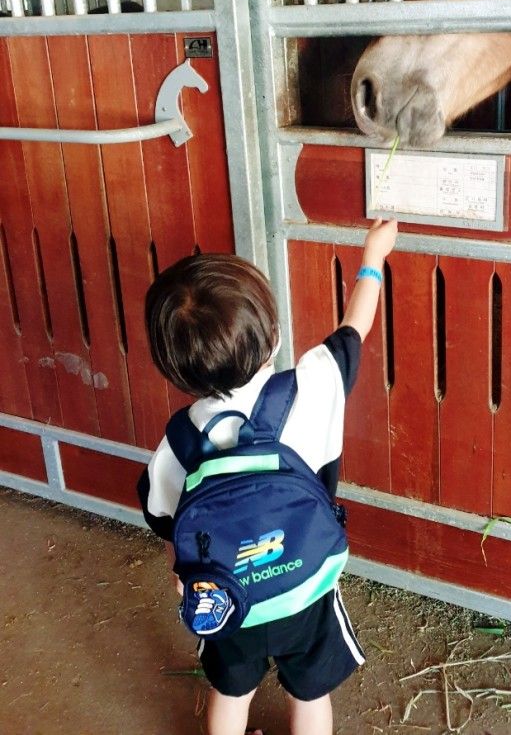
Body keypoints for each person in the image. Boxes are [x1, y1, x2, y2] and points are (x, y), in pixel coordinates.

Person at [137, 218, 398, 735]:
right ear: (275, 336)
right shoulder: (313, 385)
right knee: (311, 693)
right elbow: (355, 326)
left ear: (174, 371)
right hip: (305, 584)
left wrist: (182, 575)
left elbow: (166, 522)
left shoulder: (179, 442)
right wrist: (374, 254)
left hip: (228, 598)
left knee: (231, 693)